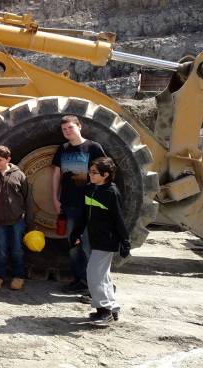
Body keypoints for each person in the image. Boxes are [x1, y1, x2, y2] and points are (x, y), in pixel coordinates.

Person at [70, 157, 130, 326]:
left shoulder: (112, 193)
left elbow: (119, 219)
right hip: (94, 237)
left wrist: (125, 241)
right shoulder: (90, 189)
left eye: (94, 172)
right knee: (102, 275)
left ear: (106, 175)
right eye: (90, 171)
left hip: (107, 239)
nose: (90, 174)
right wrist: (76, 232)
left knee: (94, 273)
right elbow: (84, 215)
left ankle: (104, 311)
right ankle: (112, 308)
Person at [51, 115, 106, 294]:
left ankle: (95, 288)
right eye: (64, 129)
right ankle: (80, 280)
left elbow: (106, 174)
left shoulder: (93, 148)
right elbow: (57, 175)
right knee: (74, 247)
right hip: (69, 205)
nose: (67, 131)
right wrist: (55, 198)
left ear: (79, 127)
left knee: (89, 246)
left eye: (70, 128)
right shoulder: (63, 148)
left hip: (89, 206)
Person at [0, 145, 30, 291]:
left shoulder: (19, 175)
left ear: (8, 160)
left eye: (0, 160)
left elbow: (26, 197)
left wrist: (27, 219)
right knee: (0, 249)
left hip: (17, 220)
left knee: (17, 249)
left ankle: (19, 276)